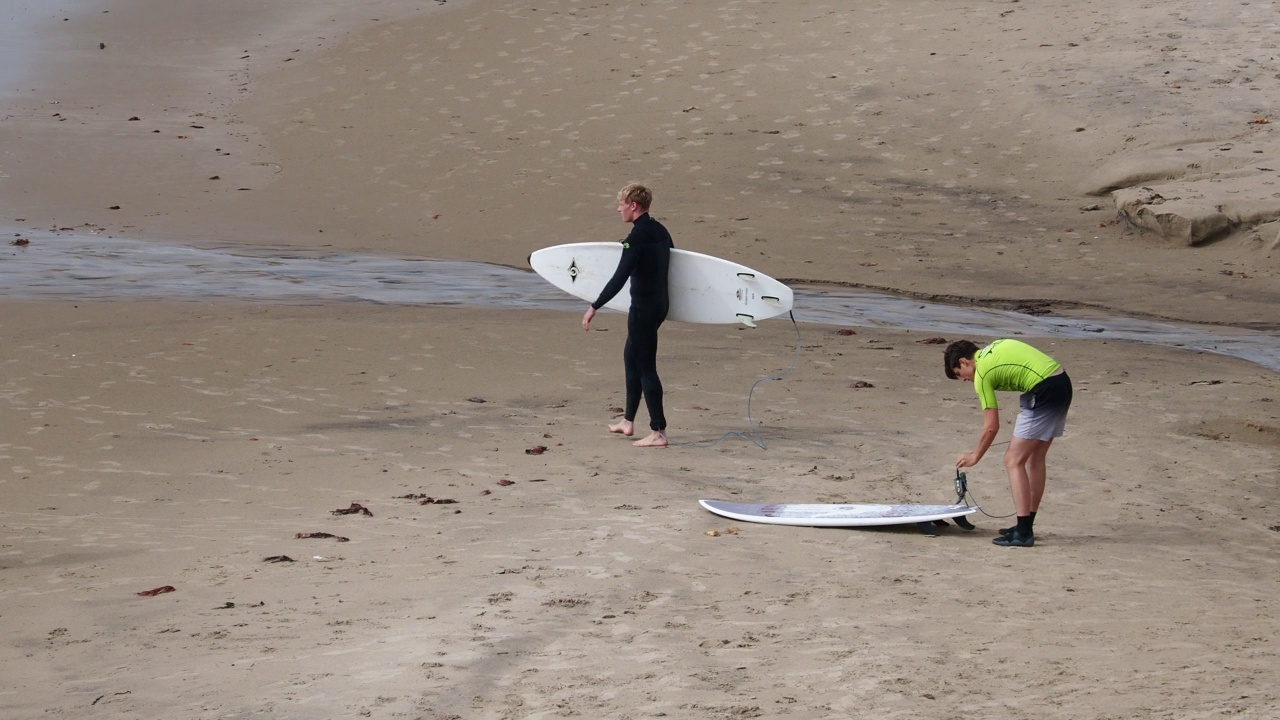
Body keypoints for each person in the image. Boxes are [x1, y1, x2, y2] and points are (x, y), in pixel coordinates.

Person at [944, 338, 1073, 547]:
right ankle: (1026, 526)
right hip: (1061, 382)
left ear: (964, 362)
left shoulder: (982, 373)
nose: (965, 380)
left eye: (960, 374)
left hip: (1044, 390)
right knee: (1035, 459)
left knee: (1013, 460)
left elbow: (991, 426)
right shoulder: (992, 349)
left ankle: (1023, 533)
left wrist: (975, 456)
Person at [582, 183, 673, 448]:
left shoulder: (636, 238)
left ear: (634, 206)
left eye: (621, 203)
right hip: (659, 305)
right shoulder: (660, 231)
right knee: (630, 357)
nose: (618, 208)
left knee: (646, 367)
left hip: (643, 309)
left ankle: (658, 432)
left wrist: (594, 306)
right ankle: (628, 421)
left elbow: (619, 278)